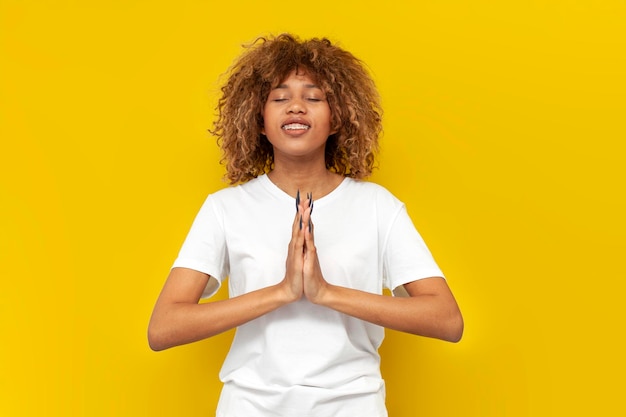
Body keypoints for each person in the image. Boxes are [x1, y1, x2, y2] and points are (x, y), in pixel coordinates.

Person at [148, 33, 463, 417]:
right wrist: (282, 291)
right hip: (250, 407)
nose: (296, 107)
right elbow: (163, 328)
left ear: (337, 120)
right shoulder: (225, 209)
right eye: (280, 98)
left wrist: (325, 292)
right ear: (258, 122)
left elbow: (447, 321)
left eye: (314, 98)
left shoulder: (377, 206)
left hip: (353, 406)